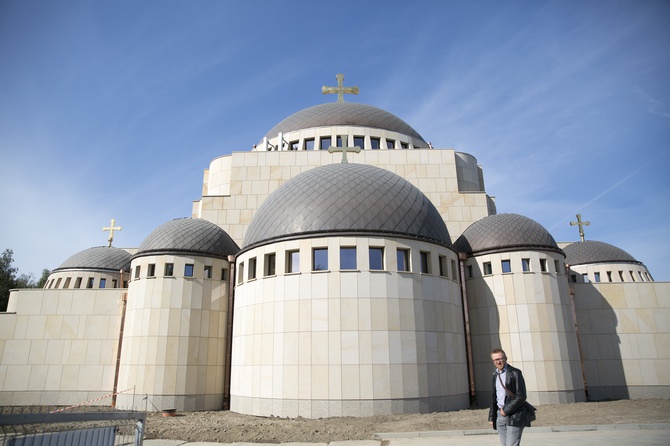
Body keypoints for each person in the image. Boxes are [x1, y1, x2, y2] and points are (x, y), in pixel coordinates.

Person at [488, 348, 532, 446]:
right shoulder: (495, 375)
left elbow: (521, 396)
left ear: (505, 358)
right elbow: (494, 398)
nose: (498, 362)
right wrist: (492, 416)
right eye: (496, 360)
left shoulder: (515, 373)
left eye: (500, 358)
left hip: (514, 415)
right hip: (499, 416)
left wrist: (506, 410)